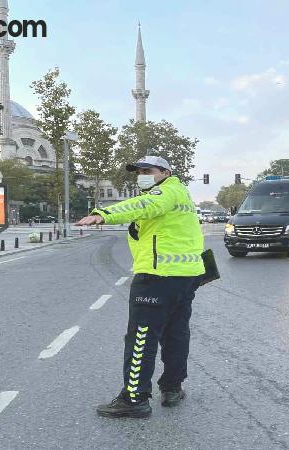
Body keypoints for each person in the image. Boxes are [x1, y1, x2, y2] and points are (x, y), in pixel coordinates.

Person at [76, 155, 204, 419]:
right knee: (176, 333)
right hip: (185, 277)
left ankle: (134, 399)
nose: (142, 175)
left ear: (166, 171)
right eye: (139, 171)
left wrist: (104, 213)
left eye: (148, 170)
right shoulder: (181, 194)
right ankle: (172, 388)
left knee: (141, 337)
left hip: (157, 277)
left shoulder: (164, 193)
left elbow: (144, 203)